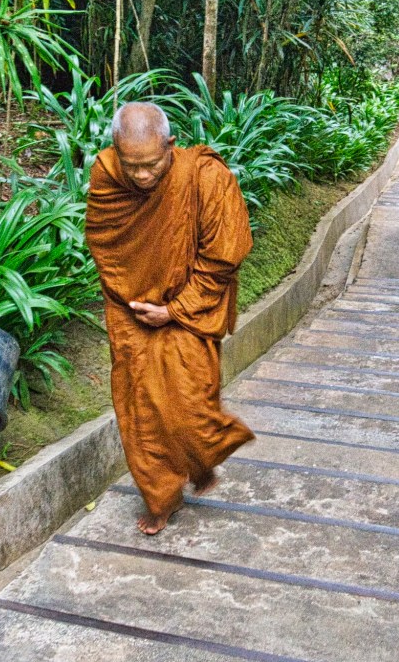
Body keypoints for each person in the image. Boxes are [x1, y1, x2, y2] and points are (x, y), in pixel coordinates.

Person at [86, 101, 255, 535]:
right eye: (132, 166)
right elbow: (106, 241)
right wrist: (137, 301)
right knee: (140, 406)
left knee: (188, 406)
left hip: (188, 304)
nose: (141, 176)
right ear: (115, 152)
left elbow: (224, 254)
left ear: (170, 147)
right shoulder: (107, 173)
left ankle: (199, 461)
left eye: (151, 165)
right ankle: (160, 496)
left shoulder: (204, 176)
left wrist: (174, 309)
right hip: (130, 306)